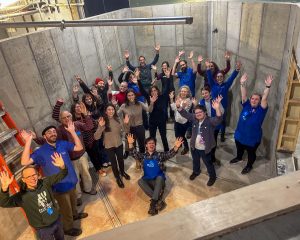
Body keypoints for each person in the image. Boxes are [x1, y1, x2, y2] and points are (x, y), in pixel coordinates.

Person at [20, 125, 87, 237]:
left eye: (54, 131)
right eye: (49, 132)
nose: (53, 133)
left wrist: (72, 132)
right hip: (59, 187)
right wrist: (28, 141)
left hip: (72, 181)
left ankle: (75, 215)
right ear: (44, 136)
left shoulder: (62, 144)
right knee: (66, 210)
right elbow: (24, 162)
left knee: (73, 203)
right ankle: (68, 228)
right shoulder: (41, 151)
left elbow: (79, 147)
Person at [0, 153, 68, 240]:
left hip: (56, 220)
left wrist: (62, 166)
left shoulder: (45, 183)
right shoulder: (22, 196)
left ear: (38, 175)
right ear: (24, 180)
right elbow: (3, 203)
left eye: (34, 175)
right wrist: (4, 189)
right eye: (28, 177)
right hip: (43, 229)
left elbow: (63, 174)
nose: (32, 178)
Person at [127, 134, 183, 216]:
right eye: (149, 143)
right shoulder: (142, 156)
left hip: (159, 182)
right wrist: (130, 143)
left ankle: (152, 204)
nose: (151, 145)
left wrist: (176, 147)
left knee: (160, 177)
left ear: (155, 145)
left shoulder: (160, 155)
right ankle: (158, 200)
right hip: (148, 181)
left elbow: (170, 154)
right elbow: (133, 152)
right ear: (146, 145)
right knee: (140, 181)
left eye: (153, 143)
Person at [230, 73, 273, 174]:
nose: (254, 100)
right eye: (252, 98)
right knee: (239, 148)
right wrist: (242, 83)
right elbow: (244, 95)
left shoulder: (261, 109)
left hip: (252, 138)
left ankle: (249, 165)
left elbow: (265, 98)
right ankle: (239, 158)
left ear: (259, 101)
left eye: (256, 99)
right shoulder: (247, 105)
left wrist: (267, 86)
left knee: (251, 153)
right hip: (240, 135)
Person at [177, 96, 223, 186]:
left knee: (208, 163)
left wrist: (217, 108)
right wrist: (179, 107)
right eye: (196, 113)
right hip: (194, 146)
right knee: (195, 160)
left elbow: (218, 119)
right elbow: (185, 114)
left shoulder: (210, 121)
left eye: (200, 112)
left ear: (205, 112)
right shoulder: (194, 118)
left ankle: (212, 176)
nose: (198, 114)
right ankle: (196, 171)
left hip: (205, 148)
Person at [94, 104, 130, 188]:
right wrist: (100, 127)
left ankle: (122, 172)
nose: (111, 111)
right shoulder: (103, 121)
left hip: (119, 144)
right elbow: (96, 137)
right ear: (106, 111)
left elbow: (125, 130)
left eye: (112, 109)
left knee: (121, 160)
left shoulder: (118, 119)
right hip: (109, 146)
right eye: (109, 109)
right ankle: (117, 177)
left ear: (114, 110)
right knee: (114, 163)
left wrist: (126, 123)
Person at [206, 59, 242, 142]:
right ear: (216, 78)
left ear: (223, 77)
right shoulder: (213, 84)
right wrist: (208, 68)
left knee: (223, 121)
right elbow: (209, 76)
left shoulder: (226, 85)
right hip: (215, 107)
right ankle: (214, 133)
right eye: (218, 77)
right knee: (215, 120)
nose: (219, 78)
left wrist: (237, 69)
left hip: (224, 107)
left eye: (221, 77)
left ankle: (222, 135)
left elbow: (232, 77)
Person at [70, 101, 107, 177]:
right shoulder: (72, 120)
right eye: (76, 107)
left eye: (79, 106)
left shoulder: (86, 116)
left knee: (97, 153)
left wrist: (95, 133)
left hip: (92, 138)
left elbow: (93, 125)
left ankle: (100, 167)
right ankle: (98, 169)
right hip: (83, 142)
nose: (78, 108)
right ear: (73, 109)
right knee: (92, 156)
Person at [137, 71, 171, 152]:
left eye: (155, 90)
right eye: (151, 91)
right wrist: (138, 79)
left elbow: (167, 87)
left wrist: (169, 77)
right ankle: (152, 151)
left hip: (162, 120)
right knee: (152, 137)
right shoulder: (149, 98)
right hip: (152, 121)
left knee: (163, 136)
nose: (153, 92)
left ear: (157, 90)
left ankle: (166, 151)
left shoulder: (162, 97)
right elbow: (141, 90)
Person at [118, 89, 149, 168]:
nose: (131, 96)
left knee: (142, 145)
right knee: (133, 146)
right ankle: (137, 161)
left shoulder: (140, 104)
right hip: (130, 128)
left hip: (140, 127)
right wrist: (123, 121)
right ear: (127, 96)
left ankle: (142, 159)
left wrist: (151, 102)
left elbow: (149, 109)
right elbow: (117, 114)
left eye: (132, 95)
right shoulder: (124, 105)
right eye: (129, 95)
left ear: (135, 95)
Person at [196, 85, 224, 165]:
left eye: (206, 93)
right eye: (203, 93)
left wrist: (218, 106)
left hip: (215, 124)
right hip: (205, 125)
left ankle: (212, 156)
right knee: (205, 140)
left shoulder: (215, 101)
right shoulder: (201, 102)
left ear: (210, 93)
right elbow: (197, 113)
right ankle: (206, 154)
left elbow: (222, 112)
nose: (204, 95)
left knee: (213, 141)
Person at [170, 86, 193, 155]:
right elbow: (173, 108)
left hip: (183, 122)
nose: (183, 92)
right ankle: (179, 145)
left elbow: (183, 111)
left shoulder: (189, 101)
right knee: (177, 135)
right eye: (182, 91)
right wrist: (171, 99)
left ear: (187, 93)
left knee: (182, 136)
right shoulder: (178, 98)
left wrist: (180, 106)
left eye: (185, 91)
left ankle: (186, 147)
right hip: (177, 121)